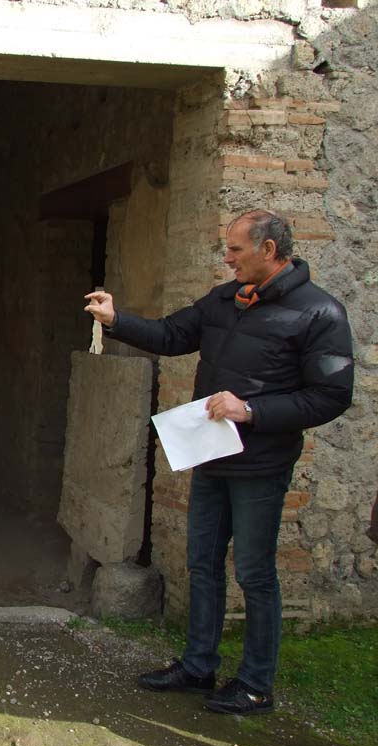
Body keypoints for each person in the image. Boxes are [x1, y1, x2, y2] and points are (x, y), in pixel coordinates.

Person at [83, 210, 354, 715]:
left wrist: (250, 411)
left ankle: (255, 684)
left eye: (234, 250)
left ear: (268, 250)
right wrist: (117, 320)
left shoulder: (320, 313)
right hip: (211, 457)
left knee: (254, 573)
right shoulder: (225, 300)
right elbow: (170, 335)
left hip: (261, 466)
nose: (226, 259)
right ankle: (198, 666)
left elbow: (331, 397)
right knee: (202, 564)